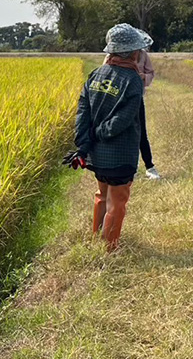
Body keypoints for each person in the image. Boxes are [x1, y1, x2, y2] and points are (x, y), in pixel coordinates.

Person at [65, 23, 151, 252]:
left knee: (101, 195)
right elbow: (122, 121)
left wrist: (85, 140)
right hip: (119, 155)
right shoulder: (132, 80)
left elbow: (83, 110)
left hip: (95, 154)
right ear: (134, 53)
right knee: (117, 202)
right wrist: (99, 134)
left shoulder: (96, 74)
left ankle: (96, 240)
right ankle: (109, 250)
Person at [104, 30, 160, 180]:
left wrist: (142, 77)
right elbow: (106, 74)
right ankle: (125, 167)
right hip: (116, 97)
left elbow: (151, 73)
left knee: (140, 131)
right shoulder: (110, 56)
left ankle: (149, 166)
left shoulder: (143, 55)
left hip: (135, 97)